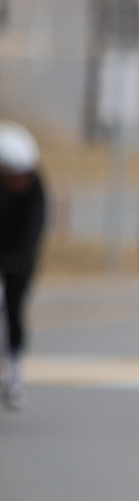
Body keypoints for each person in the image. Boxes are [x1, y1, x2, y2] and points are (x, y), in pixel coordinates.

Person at [0, 123, 48, 411]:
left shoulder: (34, 188)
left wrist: (20, 258)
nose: (23, 181)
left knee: (14, 309)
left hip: (19, 258)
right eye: (15, 175)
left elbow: (35, 226)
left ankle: (15, 372)